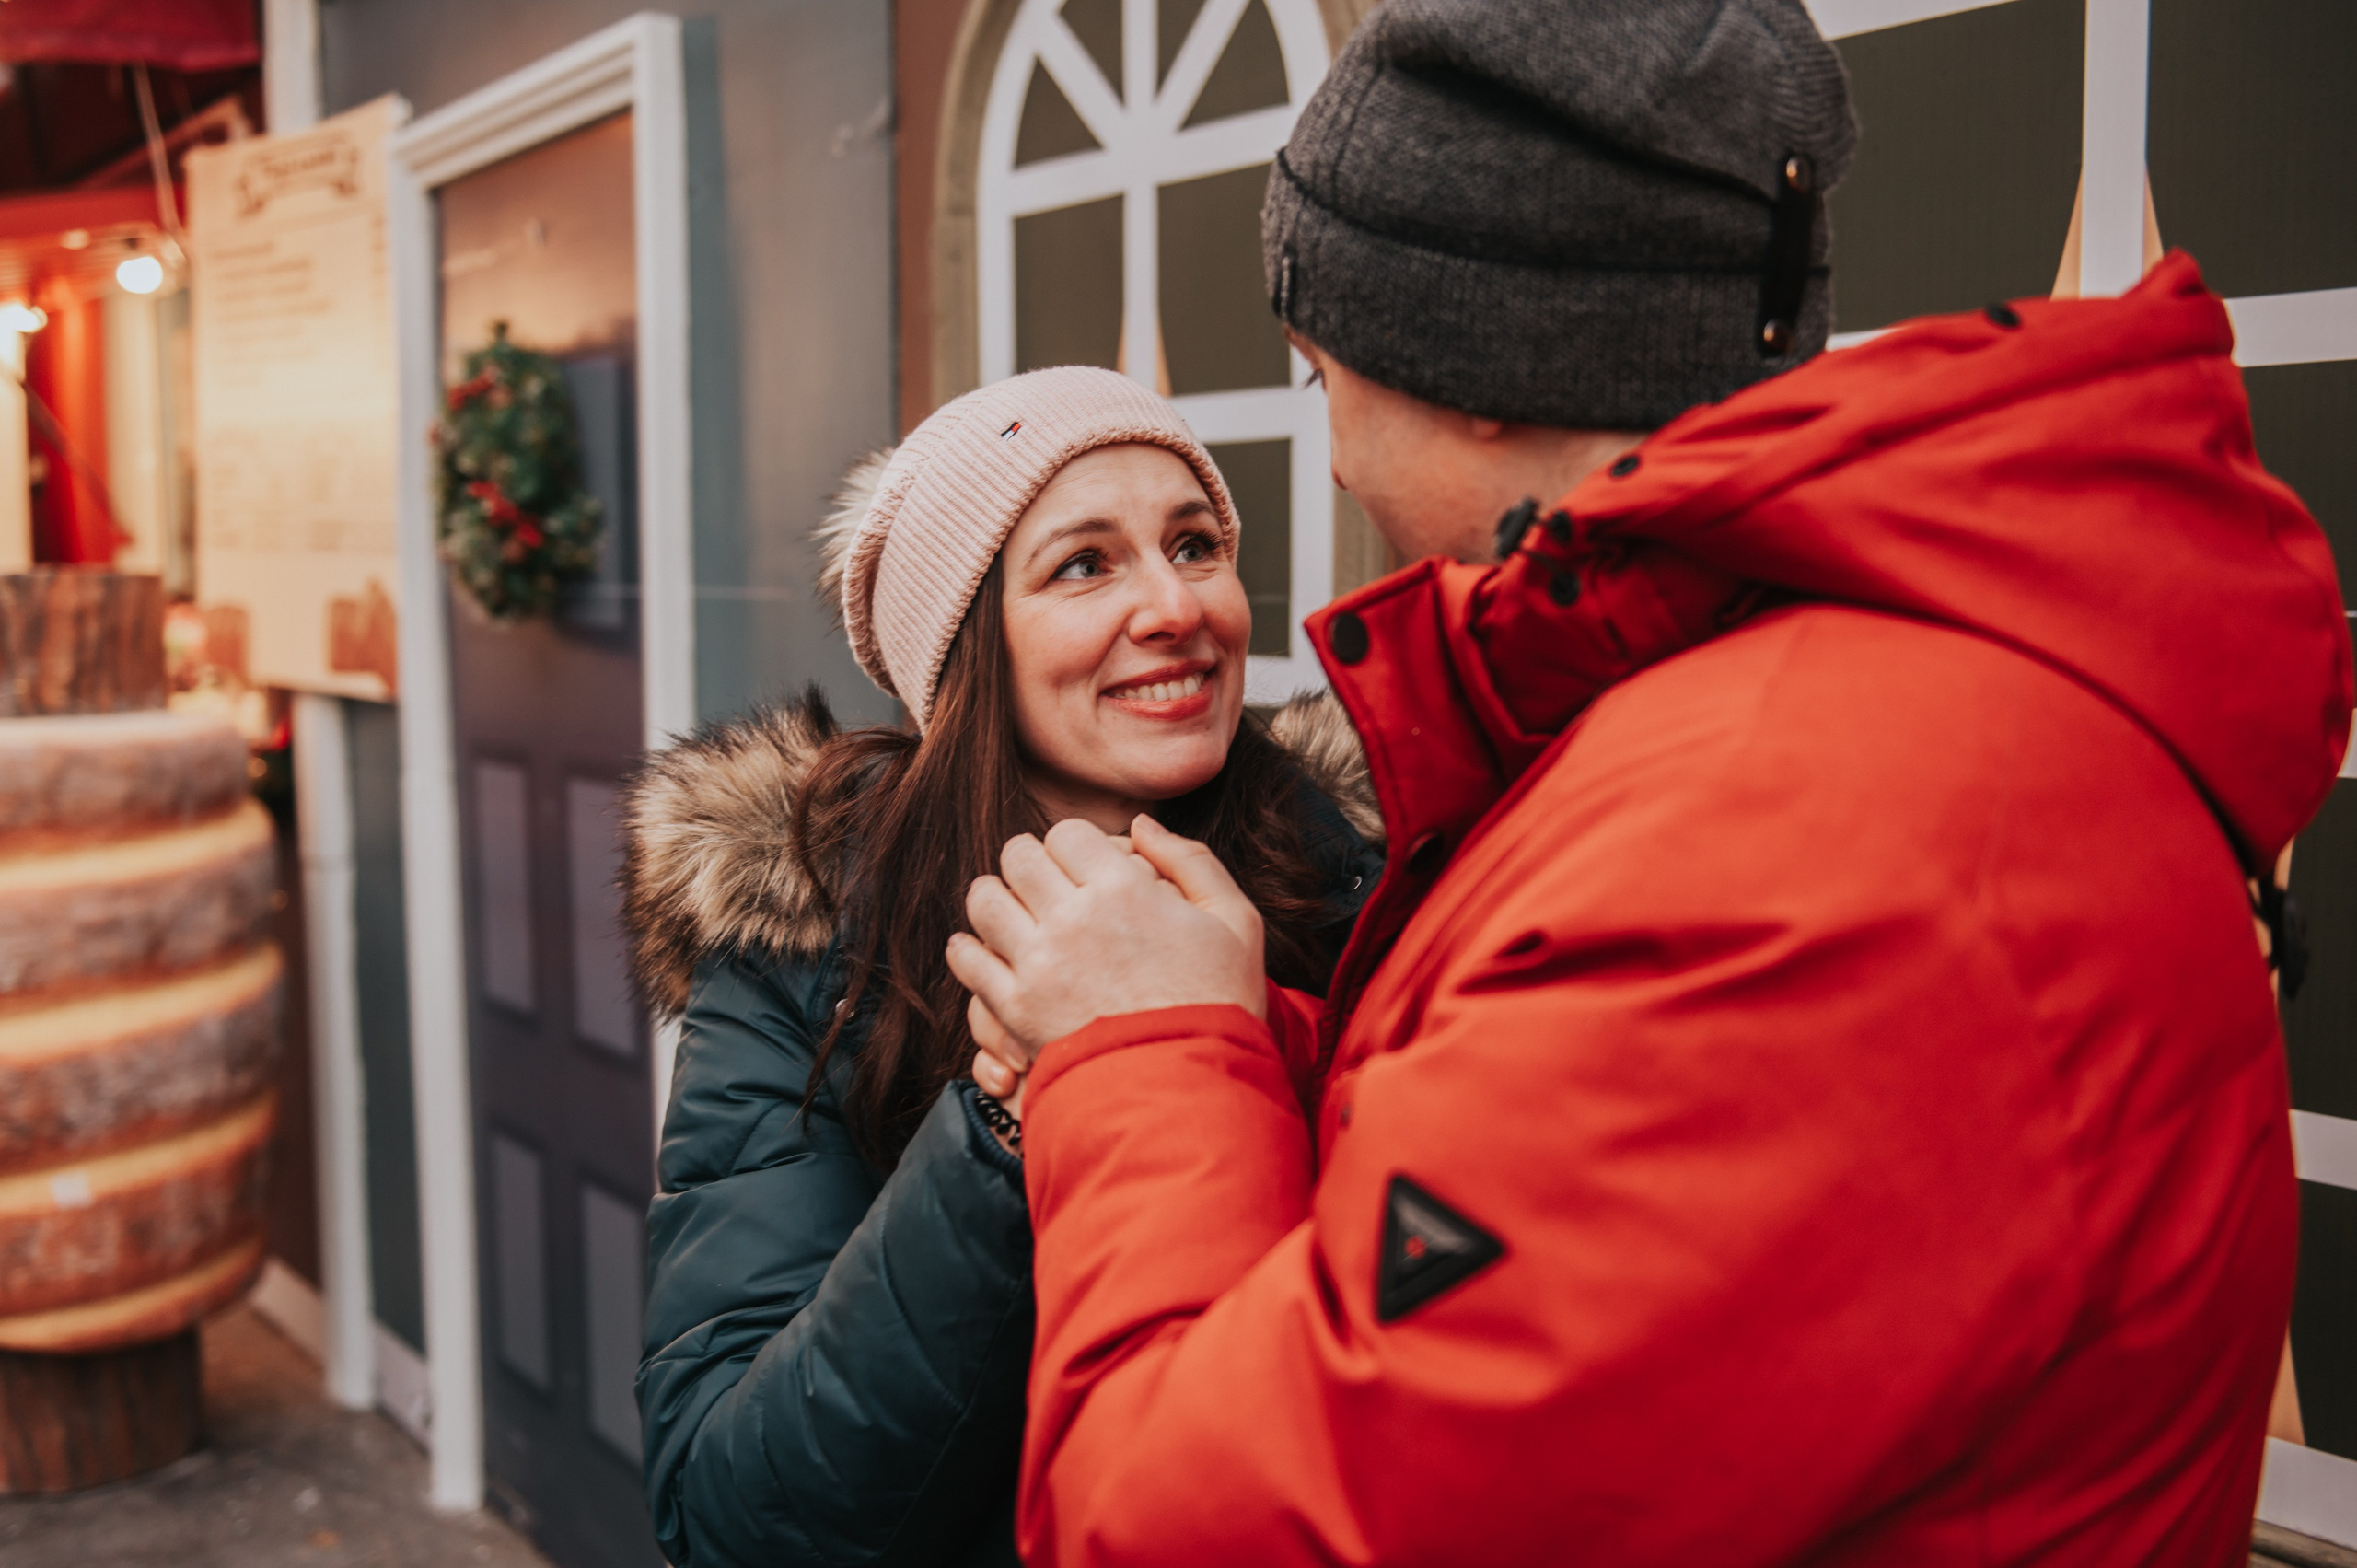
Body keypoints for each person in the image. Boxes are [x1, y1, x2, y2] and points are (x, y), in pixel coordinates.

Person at [947, 3, 2354, 1564]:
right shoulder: (1845, 712)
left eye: (1317, 374)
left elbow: (1198, 1532)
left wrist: (1142, 1052)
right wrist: (1247, 1037)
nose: (1332, 456)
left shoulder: (1787, 839)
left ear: (1469, 364)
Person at [619, 365, 1382, 1568]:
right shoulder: (815, 947)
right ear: (970, 646)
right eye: (1084, 564)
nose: (1175, 605)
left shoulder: (1361, 881)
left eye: (1194, 545)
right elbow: (732, 1516)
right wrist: (1013, 1111)